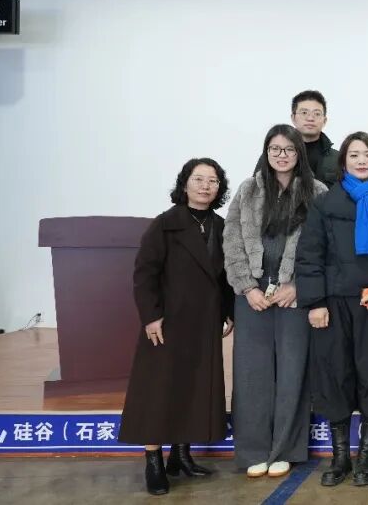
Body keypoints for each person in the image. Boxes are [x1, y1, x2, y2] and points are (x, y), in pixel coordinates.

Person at [295, 132, 368, 488]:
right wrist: (315, 302)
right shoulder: (325, 202)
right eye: (354, 155)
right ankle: (340, 457)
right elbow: (310, 254)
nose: (361, 161)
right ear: (343, 161)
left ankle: (365, 458)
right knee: (336, 375)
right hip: (332, 305)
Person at [118, 158, 234, 496]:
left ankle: (180, 456)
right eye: (199, 179)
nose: (205, 186)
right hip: (168, 322)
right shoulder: (165, 225)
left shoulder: (221, 226)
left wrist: (229, 311)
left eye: (213, 181)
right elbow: (144, 274)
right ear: (185, 184)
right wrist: (151, 316)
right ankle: (153, 461)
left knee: (195, 387)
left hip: (205, 322)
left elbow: (225, 277)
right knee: (159, 390)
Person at [223, 125, 328, 479]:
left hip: (294, 297)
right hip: (253, 296)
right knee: (251, 374)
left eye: (289, 149)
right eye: (275, 149)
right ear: (266, 152)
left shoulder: (317, 192)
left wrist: (297, 286)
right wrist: (247, 287)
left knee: (292, 373)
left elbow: (323, 247)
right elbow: (232, 242)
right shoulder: (248, 190)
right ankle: (253, 450)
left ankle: (285, 449)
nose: (282, 156)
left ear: (300, 153)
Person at [290, 90, 340, 187]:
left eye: (317, 114)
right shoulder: (276, 155)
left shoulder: (338, 159)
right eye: (304, 112)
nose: (310, 118)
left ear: (324, 120)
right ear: (293, 118)